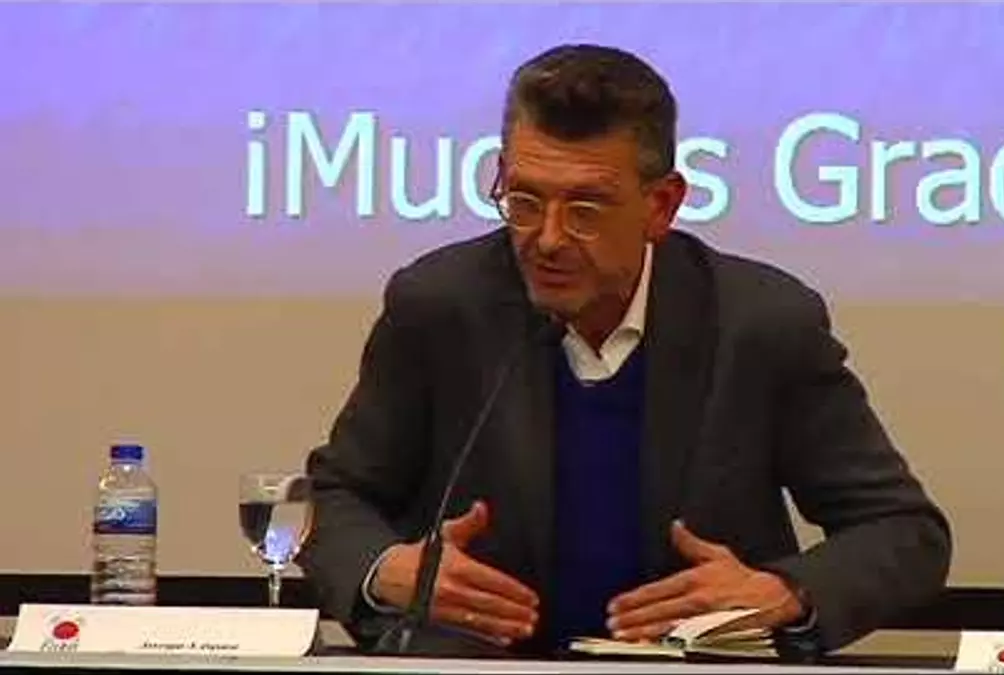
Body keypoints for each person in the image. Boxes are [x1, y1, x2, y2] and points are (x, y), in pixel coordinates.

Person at [298, 43, 951, 658]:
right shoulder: (442, 305)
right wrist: (384, 569)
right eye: (524, 201)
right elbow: (334, 496)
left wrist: (782, 593)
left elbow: (903, 531)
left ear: (661, 205)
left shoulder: (760, 323)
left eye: (585, 208)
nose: (547, 239)